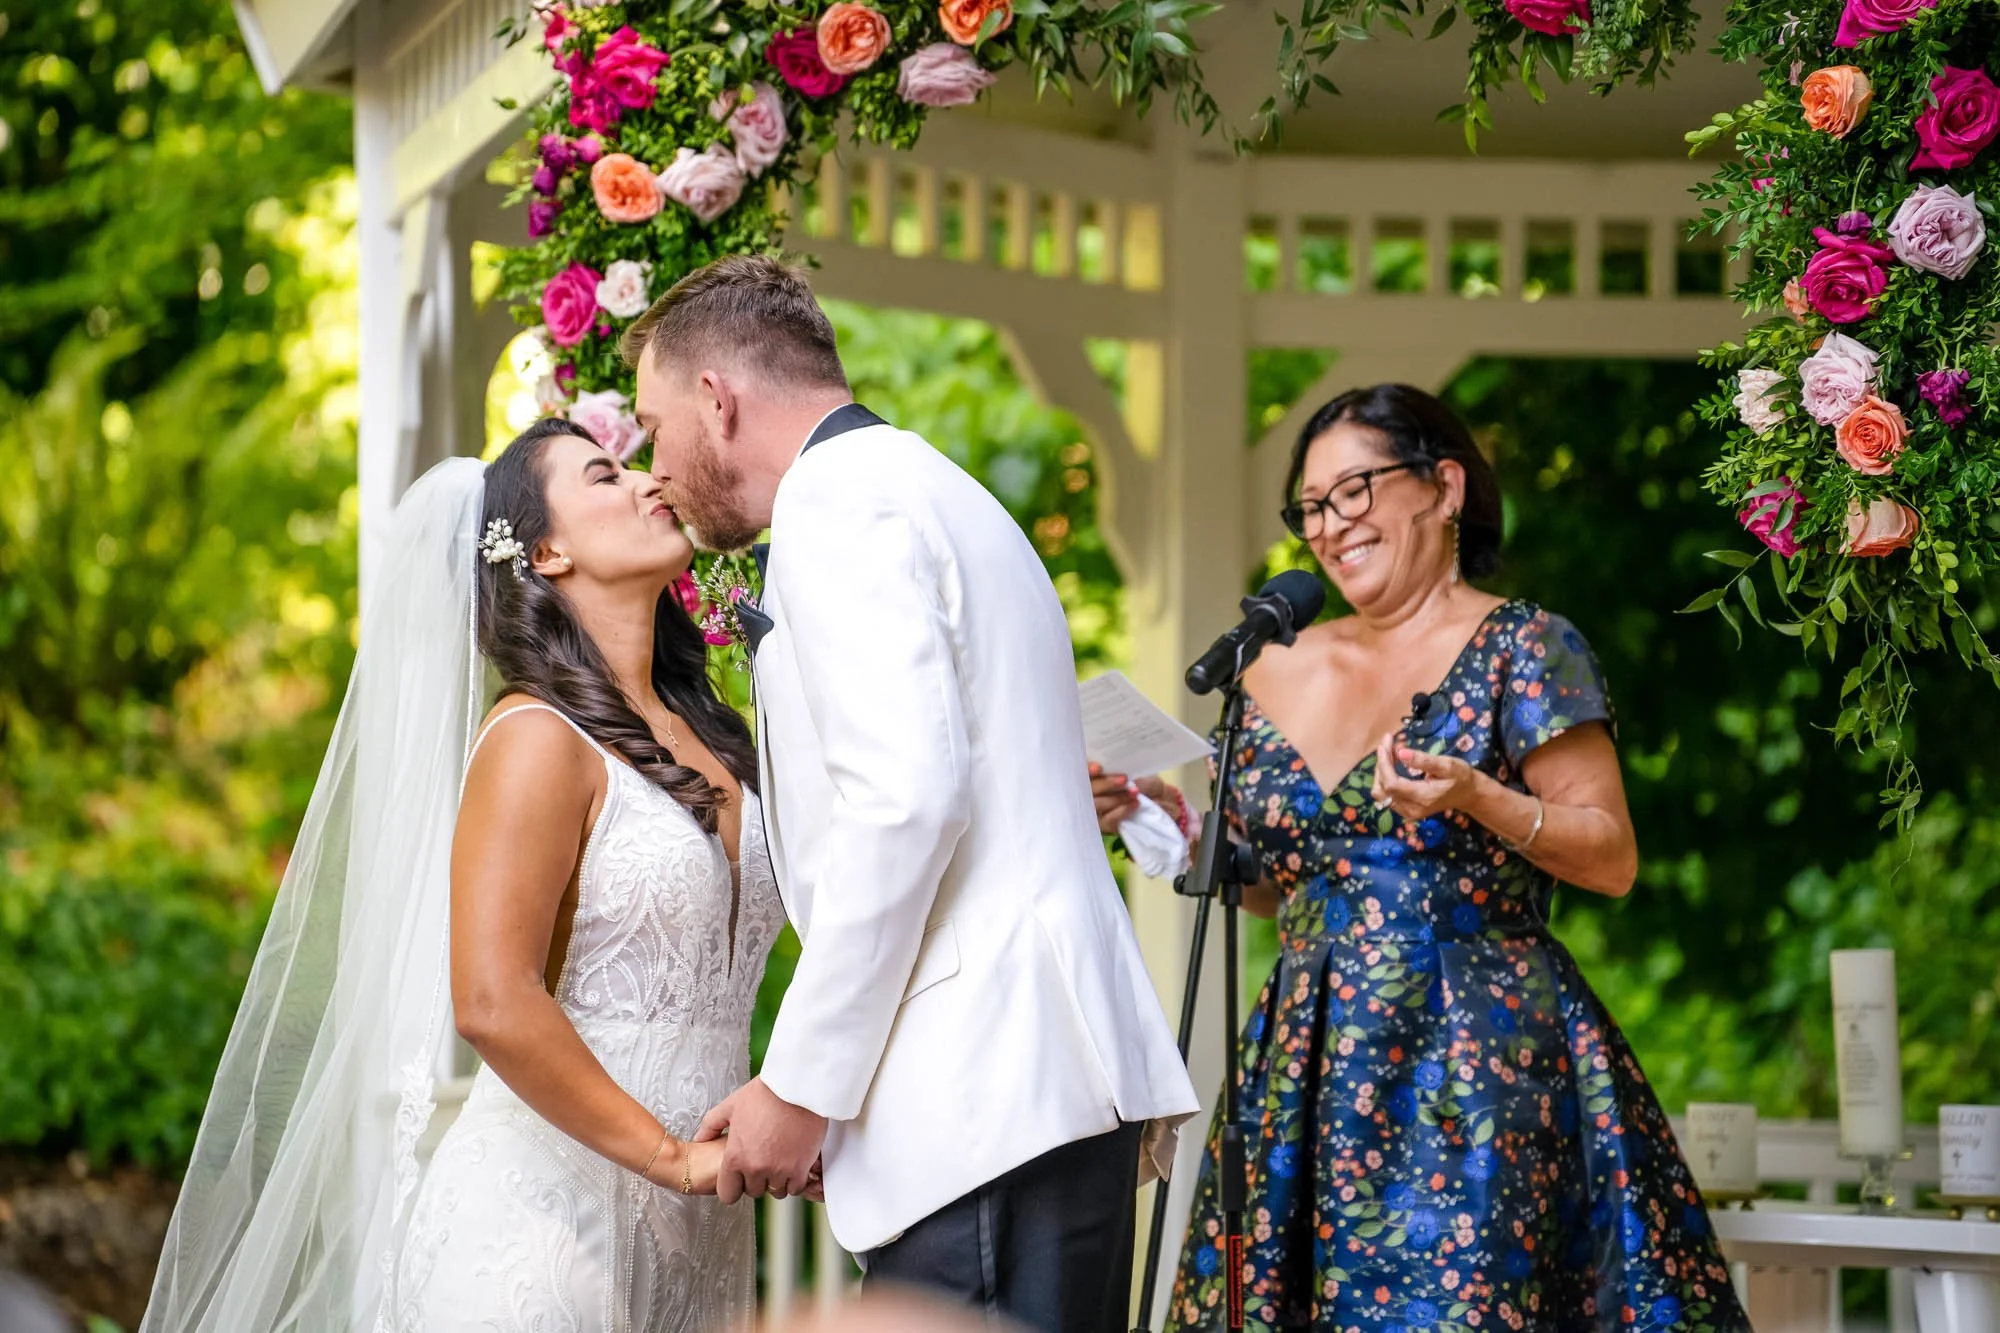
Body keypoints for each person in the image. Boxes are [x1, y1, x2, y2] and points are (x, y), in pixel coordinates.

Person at [1093, 384, 1748, 1331]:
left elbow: (1610, 855)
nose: (1329, 526)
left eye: (1354, 491)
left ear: (1444, 487)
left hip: (1476, 1065)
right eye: (1311, 508)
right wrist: (1167, 822)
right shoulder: (1272, 664)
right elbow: (1288, 886)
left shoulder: (1525, 644)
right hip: (1307, 1063)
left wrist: (1479, 796)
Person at [628, 254, 1200, 1333]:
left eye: (656, 427)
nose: (655, 469)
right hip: (1017, 1087)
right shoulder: (927, 484)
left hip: (982, 1098)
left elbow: (905, 802)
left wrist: (798, 1089)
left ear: (717, 399)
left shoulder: (838, 504)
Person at [141, 420, 782, 1332]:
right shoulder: (535, 737)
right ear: (547, 550)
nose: (649, 484)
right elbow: (491, 997)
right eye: (606, 474)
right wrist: (672, 1157)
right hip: (543, 1235)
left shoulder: (718, 735)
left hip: (699, 1232)